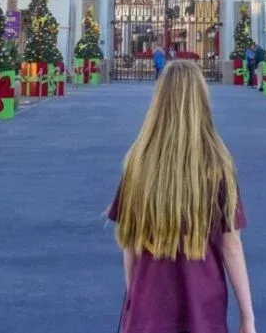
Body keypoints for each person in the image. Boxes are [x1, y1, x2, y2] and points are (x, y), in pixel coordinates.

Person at [107, 60, 257, 333]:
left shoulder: (138, 162)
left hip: (146, 309)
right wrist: (247, 317)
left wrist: (134, 296)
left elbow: (128, 242)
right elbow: (230, 245)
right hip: (202, 307)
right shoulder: (216, 165)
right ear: (201, 100)